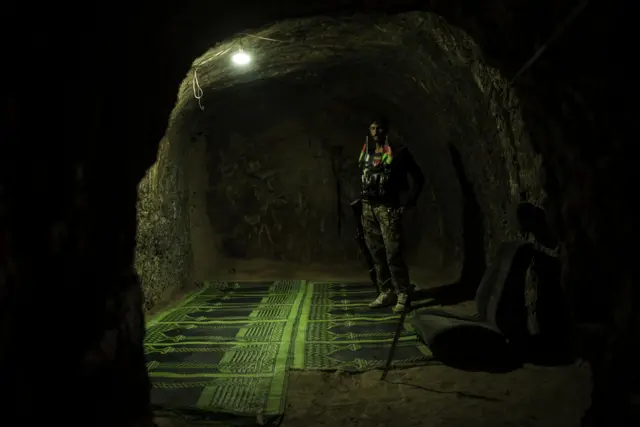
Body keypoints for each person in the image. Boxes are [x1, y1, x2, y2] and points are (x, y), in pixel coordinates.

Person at [358, 116, 424, 313]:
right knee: (375, 251)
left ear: (386, 130)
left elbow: (418, 178)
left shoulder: (400, 153)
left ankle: (403, 292)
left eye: (379, 128)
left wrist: (408, 202)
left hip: (388, 207)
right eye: (372, 128)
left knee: (392, 251)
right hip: (368, 207)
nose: (375, 132)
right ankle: (386, 291)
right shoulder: (368, 153)